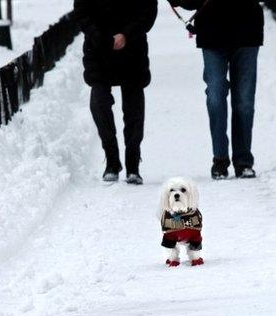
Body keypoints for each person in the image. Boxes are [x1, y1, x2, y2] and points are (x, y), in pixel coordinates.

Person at [168, 0, 265, 179]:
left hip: (247, 31)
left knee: (244, 101)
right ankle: (220, 158)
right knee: (215, 95)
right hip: (212, 34)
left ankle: (243, 160)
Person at [73, 0, 158, 185]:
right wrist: (101, 37)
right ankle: (111, 158)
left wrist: (126, 34)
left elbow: (148, 11)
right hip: (98, 50)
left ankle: (133, 162)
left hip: (133, 49)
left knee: (134, 108)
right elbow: (81, 12)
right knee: (99, 103)